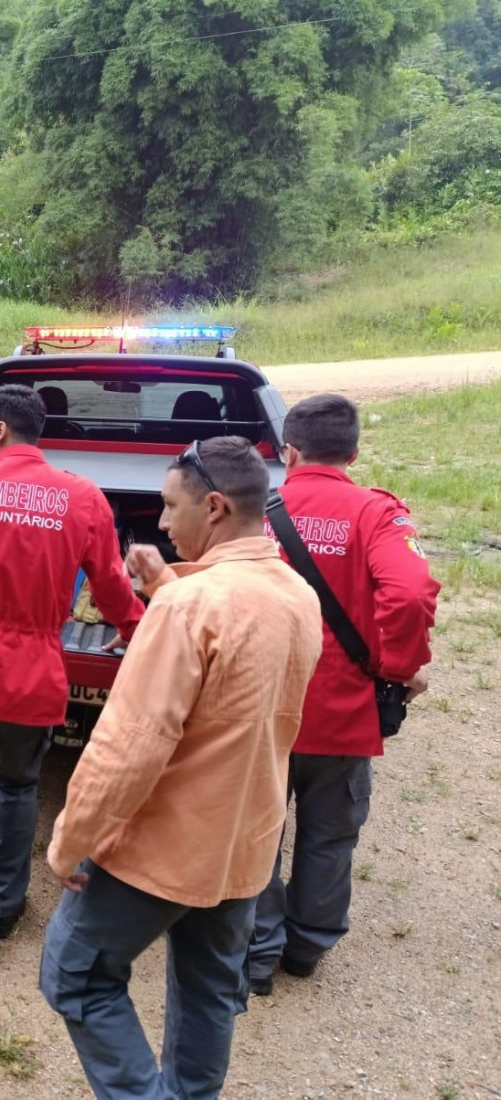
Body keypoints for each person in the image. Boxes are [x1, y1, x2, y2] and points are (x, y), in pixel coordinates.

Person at [40, 436, 322, 1100]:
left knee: (74, 975)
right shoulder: (294, 595)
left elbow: (130, 747)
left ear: (215, 506)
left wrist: (70, 839)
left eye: (169, 507)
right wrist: (163, 583)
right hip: (241, 849)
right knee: (207, 992)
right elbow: (230, 664)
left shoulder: (187, 608)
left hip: (163, 851)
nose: (161, 524)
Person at [0, 384, 145, 968]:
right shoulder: (82, 497)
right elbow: (111, 582)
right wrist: (132, 626)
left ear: (0, 431)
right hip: (34, 671)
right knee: (16, 789)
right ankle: (8, 906)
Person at [247, 394, 439, 994]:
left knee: (256, 828)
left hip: (260, 704)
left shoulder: (256, 510)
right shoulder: (375, 513)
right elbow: (409, 593)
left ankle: (255, 953)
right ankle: (306, 948)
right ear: (353, 452)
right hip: (341, 707)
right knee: (330, 832)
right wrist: (398, 666)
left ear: (290, 451)